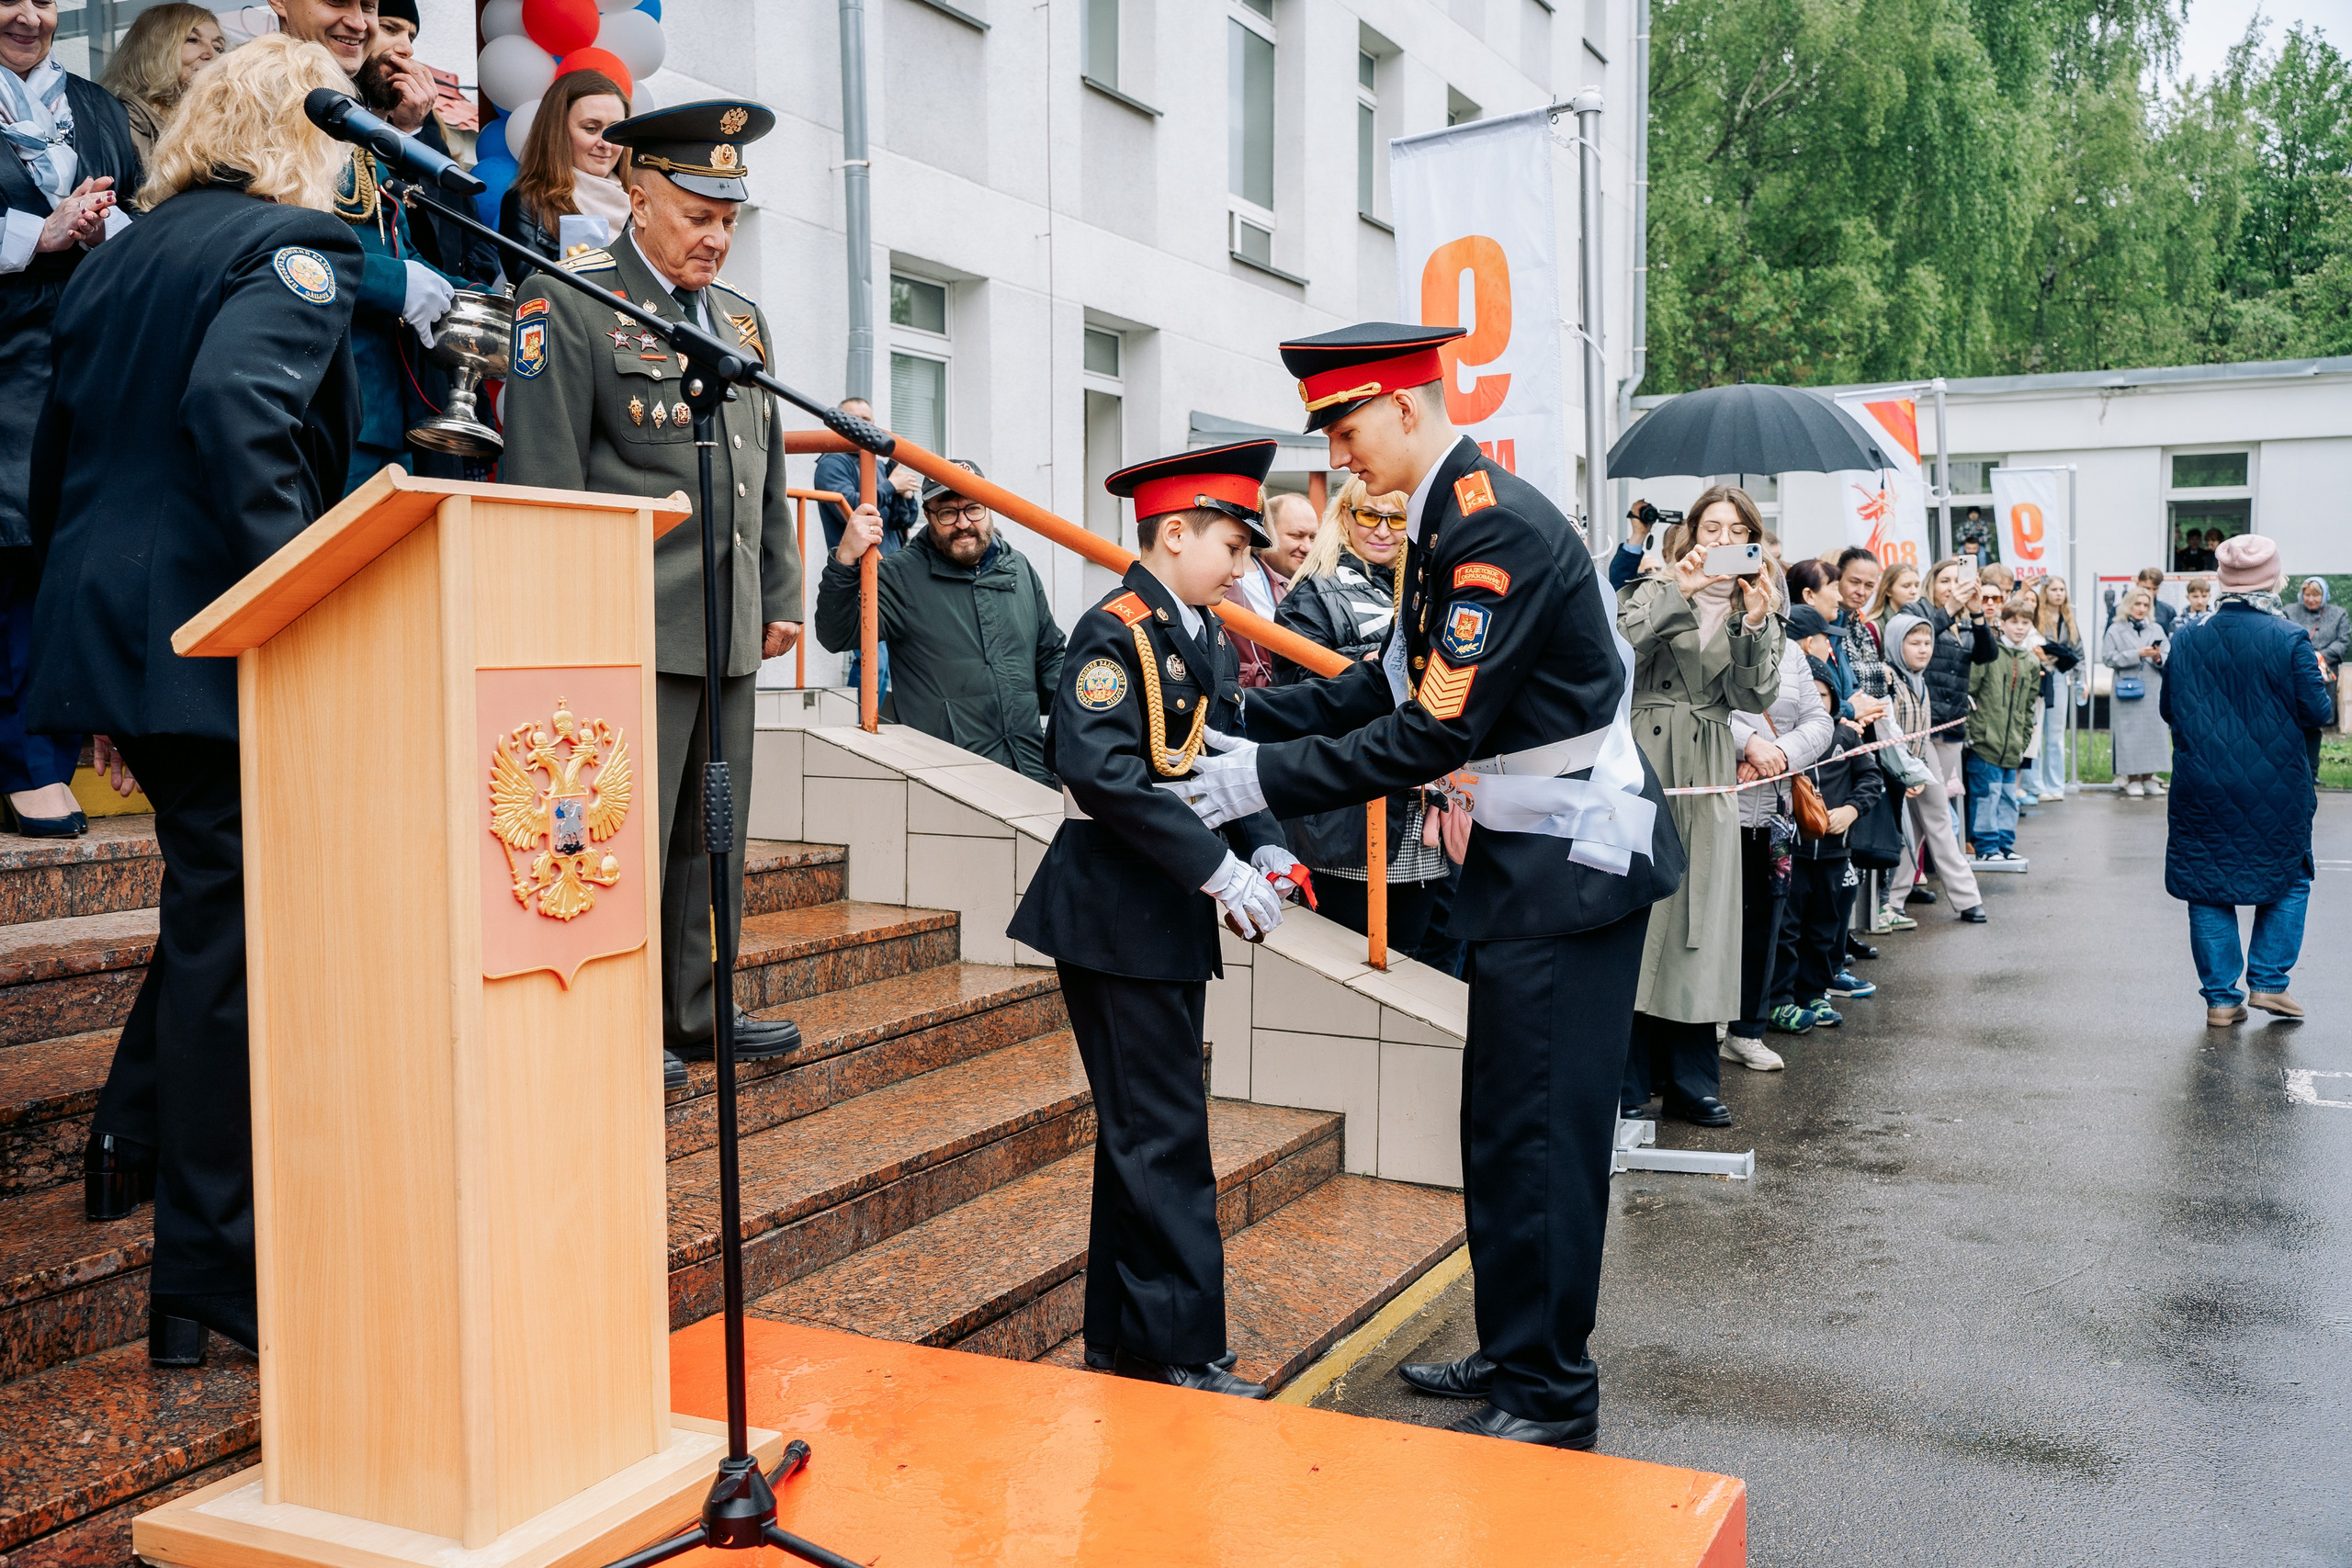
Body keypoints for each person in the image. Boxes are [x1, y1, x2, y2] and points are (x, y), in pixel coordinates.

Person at [1159, 322, 1684, 1449]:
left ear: (1404, 407)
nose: (1338, 455)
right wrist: (1246, 721)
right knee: (1499, 1124)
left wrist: (1261, 777)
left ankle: (1551, 1393)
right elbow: (1383, 685)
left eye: (1345, 428)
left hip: (1570, 871)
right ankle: (1515, 1343)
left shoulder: (1492, 528)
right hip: (1529, 862)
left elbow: (1434, 728)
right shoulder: (1444, 519)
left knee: (1542, 1136)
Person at [24, 31, 361, 1356]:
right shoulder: (295, 246)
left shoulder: (122, 255)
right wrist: (304, 605)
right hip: (218, 637)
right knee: (237, 938)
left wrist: (105, 662)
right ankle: (209, 1266)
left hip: (119, 628)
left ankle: (132, 1136)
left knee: (216, 907)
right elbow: (238, 414)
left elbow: (57, 457)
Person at [498, 101, 806, 1091]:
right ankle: (624, 1017)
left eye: (729, 220)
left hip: (728, 620)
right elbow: (544, 479)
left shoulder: (741, 321)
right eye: (696, 216)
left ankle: (700, 1006)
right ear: (637, 201)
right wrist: (557, 622)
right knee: (620, 834)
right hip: (625, 620)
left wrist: (780, 587)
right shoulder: (569, 301)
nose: (716, 238)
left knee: (714, 831)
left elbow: (760, 467)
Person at [1006, 439, 1299, 1401]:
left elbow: (1214, 756)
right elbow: (1101, 771)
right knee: (1163, 1132)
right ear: (1174, 534)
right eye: (1232, 545)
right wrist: (1218, 869)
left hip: (1158, 911)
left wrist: (1262, 844)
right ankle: (1179, 1348)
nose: (1242, 566)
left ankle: (1124, 1334)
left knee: (1143, 1129)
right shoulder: (1115, 629)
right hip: (1114, 911)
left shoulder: (1199, 630)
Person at [1, 0, 140, 838]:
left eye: (47, 0)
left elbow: (143, 211)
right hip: (5, 362)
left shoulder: (98, 107)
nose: (30, 16)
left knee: (66, 561)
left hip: (85, 357)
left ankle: (48, 752)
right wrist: (36, 234)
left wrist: (101, 226)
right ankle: (30, 765)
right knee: (14, 559)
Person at [1620, 487, 1781, 1129]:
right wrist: (1677, 589)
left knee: (1700, 921)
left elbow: (1754, 694)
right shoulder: (1653, 586)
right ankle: (1627, 1077)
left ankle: (1692, 1080)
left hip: (1709, 766)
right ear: (1691, 533)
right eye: (1711, 527)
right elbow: (1619, 651)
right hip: (1645, 757)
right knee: (1640, 912)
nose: (1722, 539)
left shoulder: (1757, 603)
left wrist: (1756, 625)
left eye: (1736, 530)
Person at [1269, 478, 1448, 946]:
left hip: (1424, 812)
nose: (1382, 530)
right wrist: (1368, 665)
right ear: (1345, 516)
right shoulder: (1313, 590)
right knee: (1351, 957)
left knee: (1424, 964)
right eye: (1369, 515)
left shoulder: (1426, 586)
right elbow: (1296, 693)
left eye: (1397, 518)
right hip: (1348, 814)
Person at [2162, 535, 2331, 1026]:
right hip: (2276, 783)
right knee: (2290, 875)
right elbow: (2316, 712)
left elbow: (2170, 708)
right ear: (2273, 579)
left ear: (2222, 581)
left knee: (2205, 883)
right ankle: (2269, 982)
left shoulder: (2187, 636)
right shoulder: (2290, 637)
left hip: (2201, 782)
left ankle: (2220, 999)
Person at [815, 459, 1065, 787]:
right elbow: (836, 634)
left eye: (973, 508)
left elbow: (1050, 656)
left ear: (990, 508)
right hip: (949, 781)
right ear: (929, 515)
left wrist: (1087, 718)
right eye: (947, 513)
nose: (963, 523)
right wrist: (845, 560)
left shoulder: (1017, 568)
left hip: (1030, 768)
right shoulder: (900, 576)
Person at [1724, 585, 1832, 1053]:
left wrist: (1778, 755)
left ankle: (1747, 1030)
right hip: (1717, 809)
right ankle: (1702, 1027)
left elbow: (1820, 722)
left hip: (1773, 811)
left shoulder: (1790, 651)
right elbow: (1695, 710)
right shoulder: (1705, 637)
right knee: (1710, 924)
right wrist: (1748, 745)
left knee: (1764, 924)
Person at [1776, 657, 1885, 1026]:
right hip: (1793, 852)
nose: (1818, 702)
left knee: (1824, 927)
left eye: (1823, 695)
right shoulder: (1785, 739)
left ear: (1835, 699)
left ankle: (1815, 993)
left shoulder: (1847, 736)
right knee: (1787, 928)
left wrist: (1852, 810)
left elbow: (1871, 778)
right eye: (1811, 695)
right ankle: (1781, 998)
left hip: (1834, 853)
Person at [812, 395, 921, 695]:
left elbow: (901, 520)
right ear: (838, 426)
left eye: (868, 420)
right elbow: (851, 508)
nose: (863, 424)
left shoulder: (878, 465)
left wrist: (905, 496)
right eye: (854, 418)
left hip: (891, 572)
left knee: (895, 661)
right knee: (875, 661)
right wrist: (891, 486)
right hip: (858, 575)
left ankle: (871, 717)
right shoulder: (832, 462)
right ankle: (859, 719)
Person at [1883, 611, 1985, 921]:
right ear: (1896, 643)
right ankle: (1966, 898)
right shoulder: (1888, 680)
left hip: (1918, 761)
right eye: (1914, 643)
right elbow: (1888, 733)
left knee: (1916, 827)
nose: (1923, 650)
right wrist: (1909, 773)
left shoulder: (1920, 680)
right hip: (1898, 768)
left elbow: (1922, 730)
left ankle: (1893, 900)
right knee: (1934, 822)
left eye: (1927, 643)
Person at [499, 68, 631, 263]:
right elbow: (534, 282)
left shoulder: (641, 205)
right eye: (591, 129)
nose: (606, 144)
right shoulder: (527, 204)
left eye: (614, 131)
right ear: (558, 132)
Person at [1965, 599, 2041, 863]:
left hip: (2013, 744)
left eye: (2025, 622)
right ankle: (1986, 847)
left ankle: (2005, 845)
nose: (2019, 628)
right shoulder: (1989, 654)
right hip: (1985, 741)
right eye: (2014, 622)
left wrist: (2024, 737)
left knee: (2009, 796)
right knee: (1986, 795)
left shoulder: (2032, 661)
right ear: (2002, 623)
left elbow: (2029, 705)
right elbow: (1970, 694)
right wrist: (1973, 733)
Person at [98, 4, 223, 162]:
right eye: (192, 40)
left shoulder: (220, 127)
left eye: (218, 48)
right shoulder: (117, 126)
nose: (212, 54)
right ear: (155, 50)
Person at [1227, 491, 1316, 687]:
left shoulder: (1291, 588)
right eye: (1296, 535)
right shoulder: (1209, 583)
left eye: (1313, 537)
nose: (1307, 547)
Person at [2103, 585, 2171, 795]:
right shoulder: (2115, 629)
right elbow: (2108, 658)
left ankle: (2149, 778)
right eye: (2137, 604)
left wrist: (2158, 658)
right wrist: (2137, 654)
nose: (2141, 608)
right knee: (2129, 734)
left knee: (2153, 732)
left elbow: (2168, 654)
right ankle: (2132, 778)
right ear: (2128, 605)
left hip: (2152, 686)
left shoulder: (2156, 629)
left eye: (2145, 605)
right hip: (2126, 688)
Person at [2030, 575, 2084, 800]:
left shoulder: (2069, 618)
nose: (2059, 593)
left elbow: (2079, 653)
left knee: (2055, 734)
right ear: (2045, 592)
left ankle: (2055, 785)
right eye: (2054, 589)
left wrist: (2082, 680)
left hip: (2061, 676)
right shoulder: (2036, 616)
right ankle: (2035, 785)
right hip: (2038, 675)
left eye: (2062, 589)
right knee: (2035, 731)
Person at [2283, 577, 2348, 728]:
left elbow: (2343, 641)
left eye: (2316, 595)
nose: (2311, 599)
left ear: (2324, 595)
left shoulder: (2339, 614)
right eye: (2307, 595)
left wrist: (2322, 655)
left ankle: (2327, 722)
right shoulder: (2289, 611)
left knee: (2322, 705)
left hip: (2326, 667)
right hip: (2296, 666)